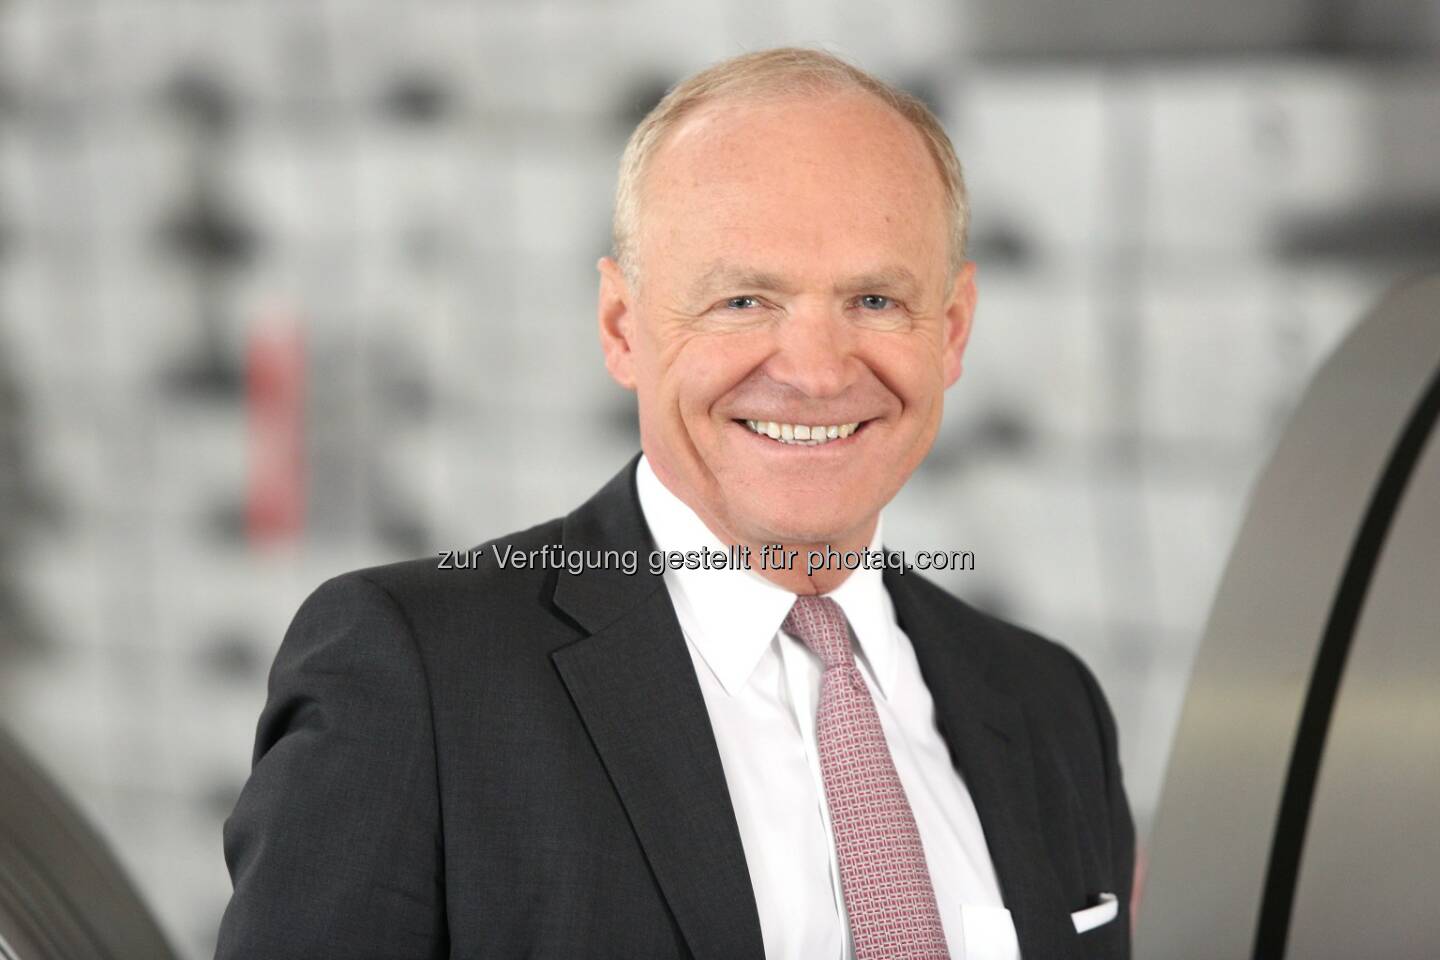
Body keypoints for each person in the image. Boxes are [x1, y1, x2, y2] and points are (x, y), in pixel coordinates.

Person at [216, 46, 1134, 960]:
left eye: (875, 299)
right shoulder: (415, 678)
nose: (817, 373)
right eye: (744, 300)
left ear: (954, 330)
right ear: (622, 326)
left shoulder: (1052, 708)